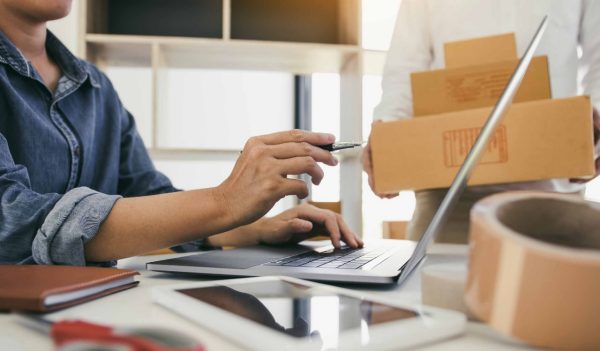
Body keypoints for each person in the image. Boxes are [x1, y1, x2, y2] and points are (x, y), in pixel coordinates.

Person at [0, 0, 363, 266]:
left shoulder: (97, 88)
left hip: (92, 306)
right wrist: (224, 202)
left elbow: (150, 195)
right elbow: (12, 218)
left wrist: (248, 227)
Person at [362, 0, 600, 243]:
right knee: (431, 279)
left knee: (554, 280)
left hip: (552, 191)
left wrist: (595, 116)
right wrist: (387, 133)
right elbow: (404, 69)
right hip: (449, 196)